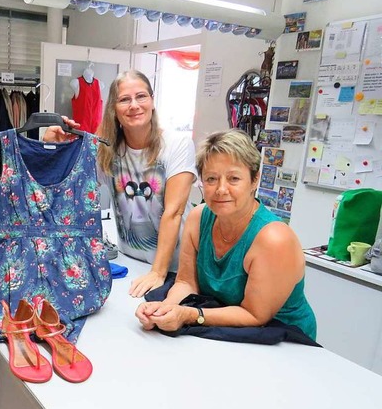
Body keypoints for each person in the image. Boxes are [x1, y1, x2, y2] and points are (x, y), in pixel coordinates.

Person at [135, 129, 317, 340]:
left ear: (255, 180)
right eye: (211, 179)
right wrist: (162, 310)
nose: (221, 189)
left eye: (233, 178)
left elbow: (255, 315)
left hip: (286, 340)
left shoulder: (274, 239)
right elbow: (186, 283)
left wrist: (188, 314)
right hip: (229, 323)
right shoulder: (198, 218)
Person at [96, 70, 197, 298]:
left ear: (152, 101)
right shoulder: (106, 150)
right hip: (127, 259)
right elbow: (76, 188)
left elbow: (174, 212)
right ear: (114, 108)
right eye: (124, 99)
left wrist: (158, 273)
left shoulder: (176, 144)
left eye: (141, 96)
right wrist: (54, 146)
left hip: (171, 267)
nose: (134, 105)